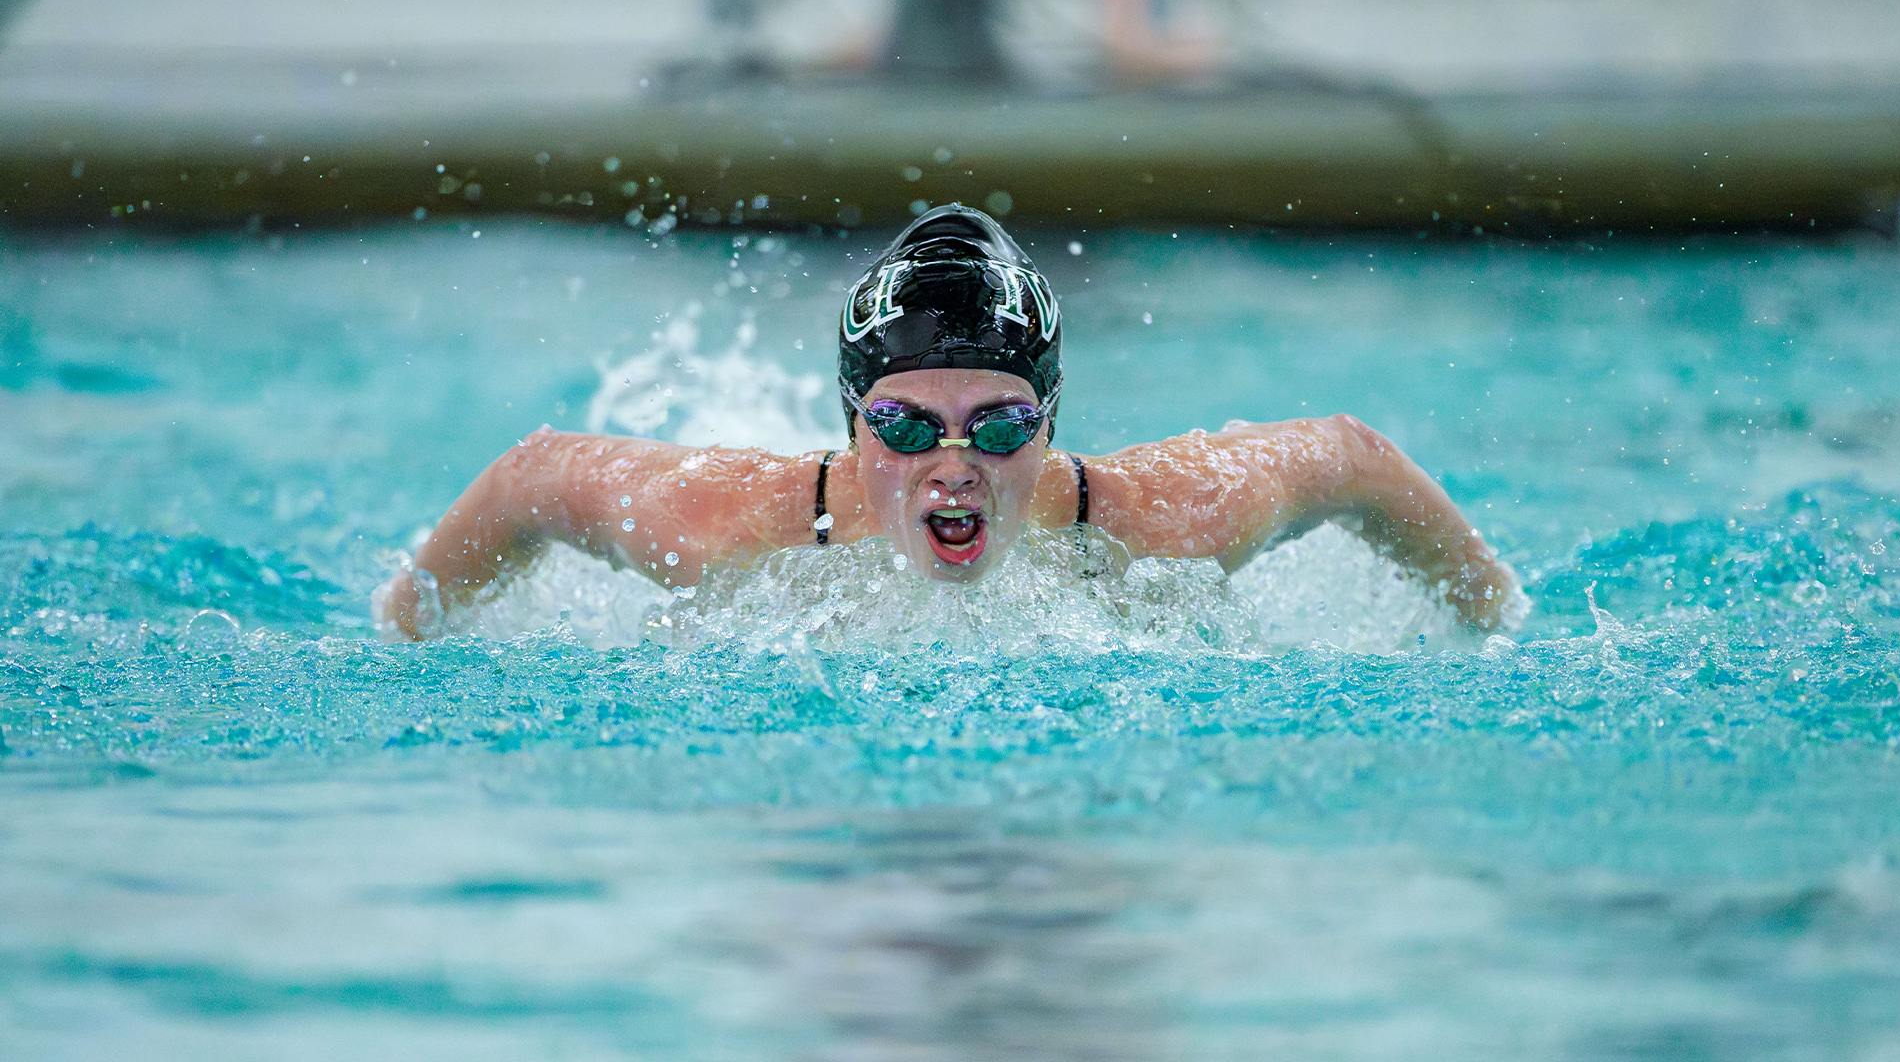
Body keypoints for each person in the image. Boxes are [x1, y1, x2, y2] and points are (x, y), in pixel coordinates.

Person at [374, 204, 1517, 640]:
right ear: (855, 426)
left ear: (1053, 420)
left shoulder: (1164, 521)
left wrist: (1496, 623)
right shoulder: (725, 523)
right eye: (910, 429)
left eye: (1000, 424)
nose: (955, 465)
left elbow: (1355, 461)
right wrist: (405, 637)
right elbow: (533, 477)